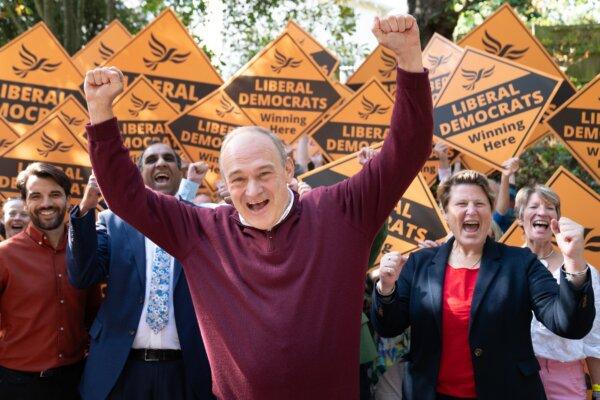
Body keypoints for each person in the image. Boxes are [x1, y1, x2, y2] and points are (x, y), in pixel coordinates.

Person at [83, 14, 432, 399]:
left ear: (287, 167)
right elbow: (125, 196)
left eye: (264, 173)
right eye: (237, 179)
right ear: (223, 183)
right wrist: (100, 112)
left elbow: (408, 149)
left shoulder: (342, 211)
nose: (252, 190)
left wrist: (409, 60)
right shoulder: (200, 230)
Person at [371, 169, 594, 400]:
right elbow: (389, 326)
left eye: (479, 203)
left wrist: (574, 263)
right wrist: (386, 288)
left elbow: (568, 324)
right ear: (446, 215)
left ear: (490, 212)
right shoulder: (421, 262)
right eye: (461, 204)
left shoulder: (521, 263)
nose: (471, 210)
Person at [67, 143, 214, 400]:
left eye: (168, 158)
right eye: (151, 159)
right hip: (122, 369)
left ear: (179, 173)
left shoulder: (202, 221)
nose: (160, 163)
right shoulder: (112, 221)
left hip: (185, 370)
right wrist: (87, 208)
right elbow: (82, 275)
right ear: (137, 173)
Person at [0, 163, 93, 399]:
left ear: (68, 198)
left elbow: (94, 314)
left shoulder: (85, 251)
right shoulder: (4, 255)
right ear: (25, 202)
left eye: (54, 194)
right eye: (36, 196)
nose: (46, 204)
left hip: (75, 382)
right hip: (17, 384)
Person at [515, 184, 600, 400]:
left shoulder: (582, 271)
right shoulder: (502, 266)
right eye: (534, 206)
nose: (542, 212)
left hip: (566, 377)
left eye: (550, 207)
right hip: (514, 375)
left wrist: (598, 390)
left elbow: (594, 339)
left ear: (557, 220)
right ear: (519, 218)